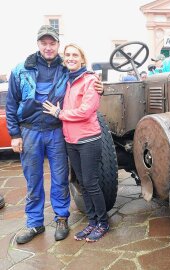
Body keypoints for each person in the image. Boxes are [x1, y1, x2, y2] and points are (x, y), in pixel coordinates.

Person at [6, 25, 103, 244]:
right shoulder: (21, 69)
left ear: (58, 44)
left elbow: (85, 78)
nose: (48, 47)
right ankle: (34, 223)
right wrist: (14, 134)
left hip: (56, 131)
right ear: (38, 44)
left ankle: (61, 217)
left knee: (60, 177)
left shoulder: (64, 67)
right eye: (44, 43)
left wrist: (100, 86)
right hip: (29, 132)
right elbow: (11, 103)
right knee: (33, 179)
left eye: (52, 43)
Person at [43, 44, 109, 242]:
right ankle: (92, 221)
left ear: (82, 59)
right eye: (68, 55)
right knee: (82, 183)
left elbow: (86, 111)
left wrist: (59, 113)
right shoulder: (68, 80)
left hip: (88, 139)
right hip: (71, 140)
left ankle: (103, 223)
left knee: (91, 182)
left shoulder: (90, 80)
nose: (71, 58)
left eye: (75, 55)